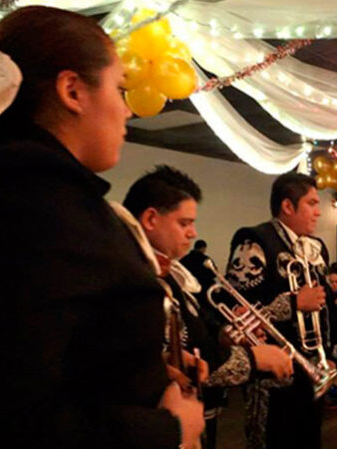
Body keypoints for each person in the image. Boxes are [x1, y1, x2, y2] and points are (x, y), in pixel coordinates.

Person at [0, 6, 203, 449]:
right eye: (119, 88)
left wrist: (140, 368)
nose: (128, 111)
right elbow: (7, 417)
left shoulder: (18, 191)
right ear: (73, 90)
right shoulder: (32, 208)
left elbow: (45, 350)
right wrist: (169, 430)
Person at [122, 165, 294, 448]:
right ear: (151, 218)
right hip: (151, 426)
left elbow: (193, 334)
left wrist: (224, 333)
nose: (193, 233)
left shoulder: (167, 272)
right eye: (184, 223)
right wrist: (255, 359)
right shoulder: (134, 277)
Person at [226, 173, 336, 449]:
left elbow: (323, 306)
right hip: (274, 373)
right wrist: (292, 303)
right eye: (311, 203)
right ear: (288, 206)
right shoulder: (254, 240)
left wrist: (327, 353)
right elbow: (236, 311)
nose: (318, 210)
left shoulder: (316, 247)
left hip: (311, 366)